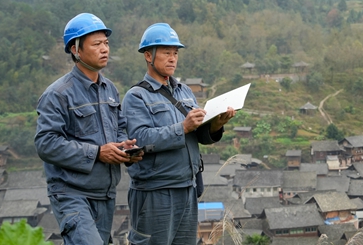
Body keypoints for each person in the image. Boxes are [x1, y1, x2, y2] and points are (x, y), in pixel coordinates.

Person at [123, 23, 235, 245]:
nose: (172, 58)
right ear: (148, 55)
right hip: (155, 191)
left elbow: (197, 137)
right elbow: (140, 140)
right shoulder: (136, 97)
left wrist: (215, 126)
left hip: (187, 188)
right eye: (166, 53)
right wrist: (182, 127)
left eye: (175, 53)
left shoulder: (184, 92)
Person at [35, 13, 142, 245]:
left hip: (105, 194)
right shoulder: (57, 94)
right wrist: (97, 152)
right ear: (76, 50)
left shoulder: (110, 90)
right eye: (96, 44)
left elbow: (119, 128)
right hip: (71, 193)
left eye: (106, 43)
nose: (104, 49)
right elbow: (46, 144)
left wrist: (125, 148)